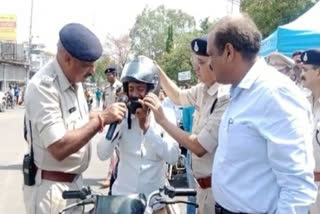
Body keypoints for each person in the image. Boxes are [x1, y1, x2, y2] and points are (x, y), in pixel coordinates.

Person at [207, 14, 317, 214]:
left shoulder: (275, 94)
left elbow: (297, 186)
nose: (209, 64)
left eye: (211, 55)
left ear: (229, 52)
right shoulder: (241, 91)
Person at [23, 23, 126, 214]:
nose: (93, 71)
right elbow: (59, 147)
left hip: (73, 185)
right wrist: (101, 119)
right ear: (67, 58)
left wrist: (102, 115)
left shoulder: (74, 81)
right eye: (87, 65)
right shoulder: (44, 87)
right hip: (52, 192)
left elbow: (75, 120)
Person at [147, 36, 229, 214]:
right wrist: (157, 70)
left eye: (201, 61)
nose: (195, 67)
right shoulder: (202, 89)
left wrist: (162, 121)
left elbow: (199, 146)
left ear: (216, 62)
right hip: (200, 186)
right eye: (195, 61)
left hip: (217, 191)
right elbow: (177, 96)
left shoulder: (225, 97)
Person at [97, 56, 180, 214]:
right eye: (131, 89)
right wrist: (116, 124)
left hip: (154, 203)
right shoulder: (122, 116)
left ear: (152, 89)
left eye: (140, 89)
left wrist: (147, 129)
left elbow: (172, 156)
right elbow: (102, 153)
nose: (135, 95)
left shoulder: (165, 115)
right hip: (122, 202)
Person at [300, 48, 320, 214]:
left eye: (305, 70)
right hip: (303, 189)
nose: (301, 74)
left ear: (318, 72)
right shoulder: (301, 103)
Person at [101, 67, 122, 188]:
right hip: (109, 122)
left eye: (110, 75)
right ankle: (111, 174)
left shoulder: (121, 87)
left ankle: (114, 173)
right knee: (112, 149)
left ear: (115, 75)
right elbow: (105, 105)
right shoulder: (106, 89)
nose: (108, 77)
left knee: (119, 150)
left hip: (118, 122)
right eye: (107, 75)